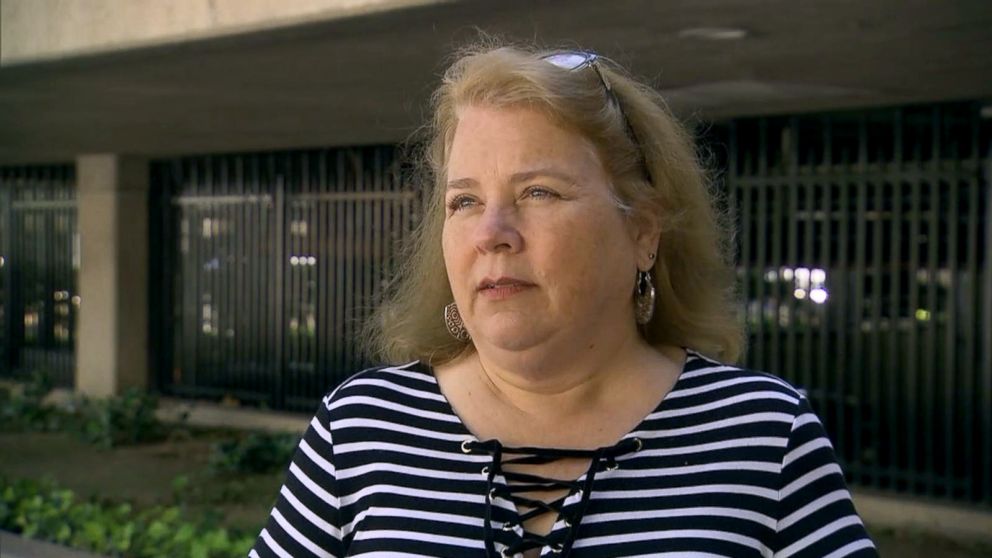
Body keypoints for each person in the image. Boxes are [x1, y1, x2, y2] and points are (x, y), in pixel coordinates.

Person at [250, 41, 877, 558]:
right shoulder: (360, 426)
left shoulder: (764, 434)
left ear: (643, 230)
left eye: (539, 192)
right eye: (464, 201)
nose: (491, 234)